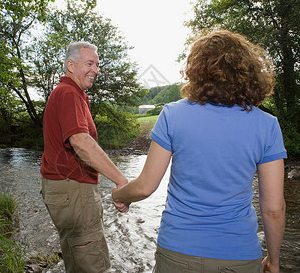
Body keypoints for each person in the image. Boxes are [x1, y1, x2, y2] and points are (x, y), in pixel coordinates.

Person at [112, 30, 286, 273]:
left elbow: (145, 186)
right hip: (239, 255)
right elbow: (273, 209)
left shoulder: (172, 114)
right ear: (248, 72)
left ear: (196, 70)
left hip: (178, 252)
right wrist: (273, 261)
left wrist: (120, 196)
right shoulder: (267, 125)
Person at [40, 42, 129, 273]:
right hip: (73, 192)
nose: (96, 70)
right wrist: (121, 181)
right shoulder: (69, 93)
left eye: (97, 64)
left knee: (77, 260)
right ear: (71, 66)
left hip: (63, 191)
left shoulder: (66, 92)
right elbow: (81, 142)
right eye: (89, 63)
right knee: (92, 265)